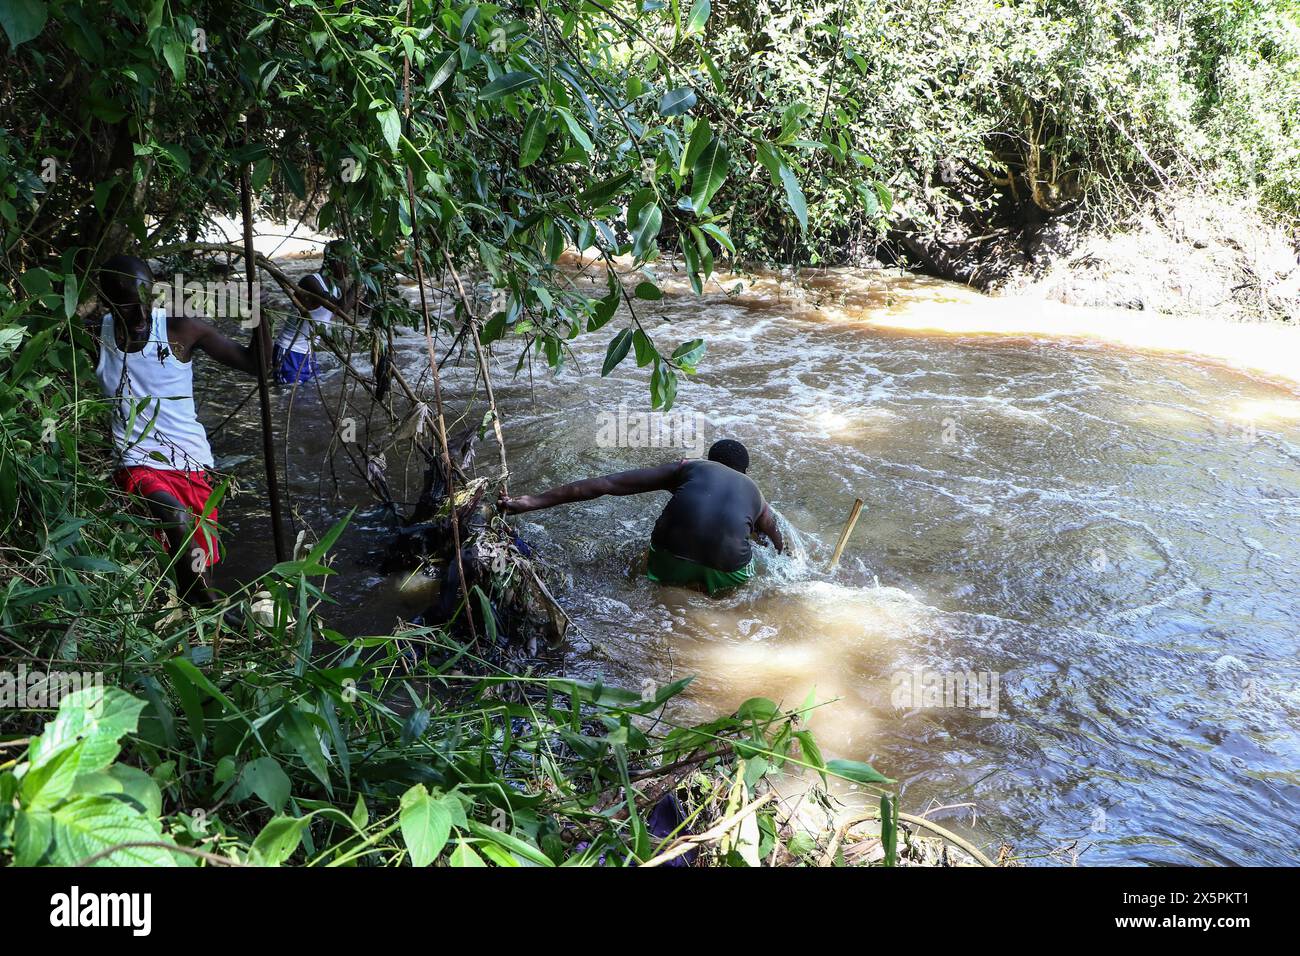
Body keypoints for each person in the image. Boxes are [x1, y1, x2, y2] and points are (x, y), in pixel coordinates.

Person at [92, 253, 262, 607]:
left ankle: (197, 617)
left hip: (192, 463)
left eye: (145, 301)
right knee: (174, 516)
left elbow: (256, 365)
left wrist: (262, 318)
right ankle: (205, 601)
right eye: (125, 306)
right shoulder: (95, 335)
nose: (139, 316)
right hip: (137, 463)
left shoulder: (179, 328)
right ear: (104, 300)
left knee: (199, 558)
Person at [498, 439, 784, 595]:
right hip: (727, 570)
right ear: (744, 472)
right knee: (745, 570)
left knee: (657, 578)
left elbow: (604, 485)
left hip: (669, 557)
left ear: (708, 459)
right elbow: (776, 538)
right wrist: (779, 551)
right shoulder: (757, 495)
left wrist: (527, 502)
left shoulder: (689, 468)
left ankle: (677, 581)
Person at [272, 239, 356, 385]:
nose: (351, 266)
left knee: (309, 400)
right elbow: (341, 310)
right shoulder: (310, 282)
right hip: (290, 351)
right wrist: (358, 283)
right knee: (293, 400)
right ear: (336, 261)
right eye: (349, 260)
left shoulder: (336, 288)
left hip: (308, 354)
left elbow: (361, 309)